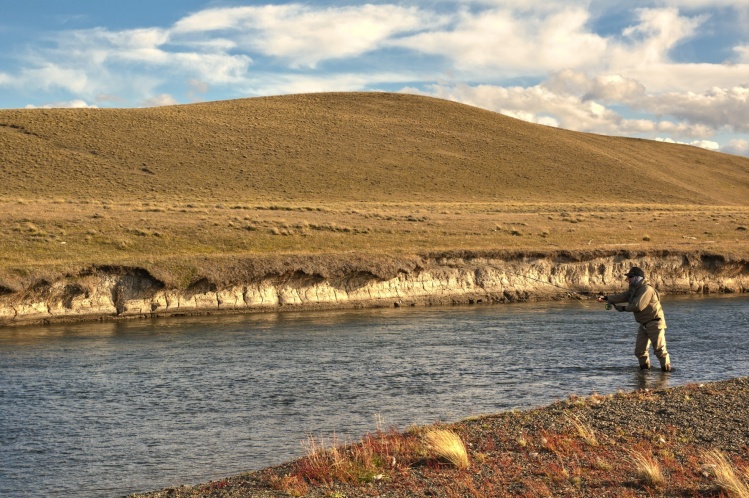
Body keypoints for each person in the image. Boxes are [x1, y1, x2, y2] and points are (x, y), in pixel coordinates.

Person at [597, 267, 672, 372]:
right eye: (628, 277)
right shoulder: (634, 289)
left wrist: (623, 308)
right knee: (640, 352)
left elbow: (638, 306)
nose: (628, 279)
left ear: (638, 278)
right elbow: (622, 296)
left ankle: (666, 374)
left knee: (660, 351)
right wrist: (606, 298)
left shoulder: (647, 289)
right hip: (644, 325)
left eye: (630, 277)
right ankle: (644, 373)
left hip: (655, 323)